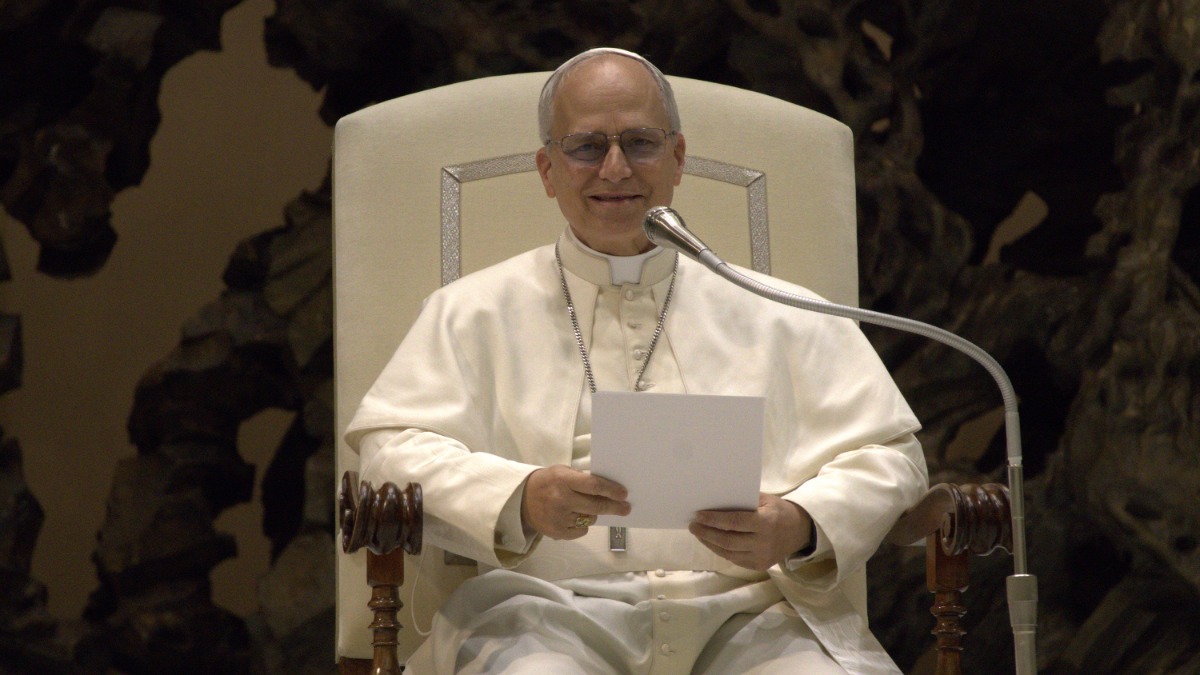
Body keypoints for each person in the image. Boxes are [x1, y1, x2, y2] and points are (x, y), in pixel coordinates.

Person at [346, 47, 928, 674]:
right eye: (586, 147)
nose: (616, 168)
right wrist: (518, 497)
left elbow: (891, 457)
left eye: (641, 143)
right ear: (547, 169)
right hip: (541, 614)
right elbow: (390, 452)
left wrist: (801, 523)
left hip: (756, 615)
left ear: (678, 159)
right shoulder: (471, 312)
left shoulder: (781, 309)